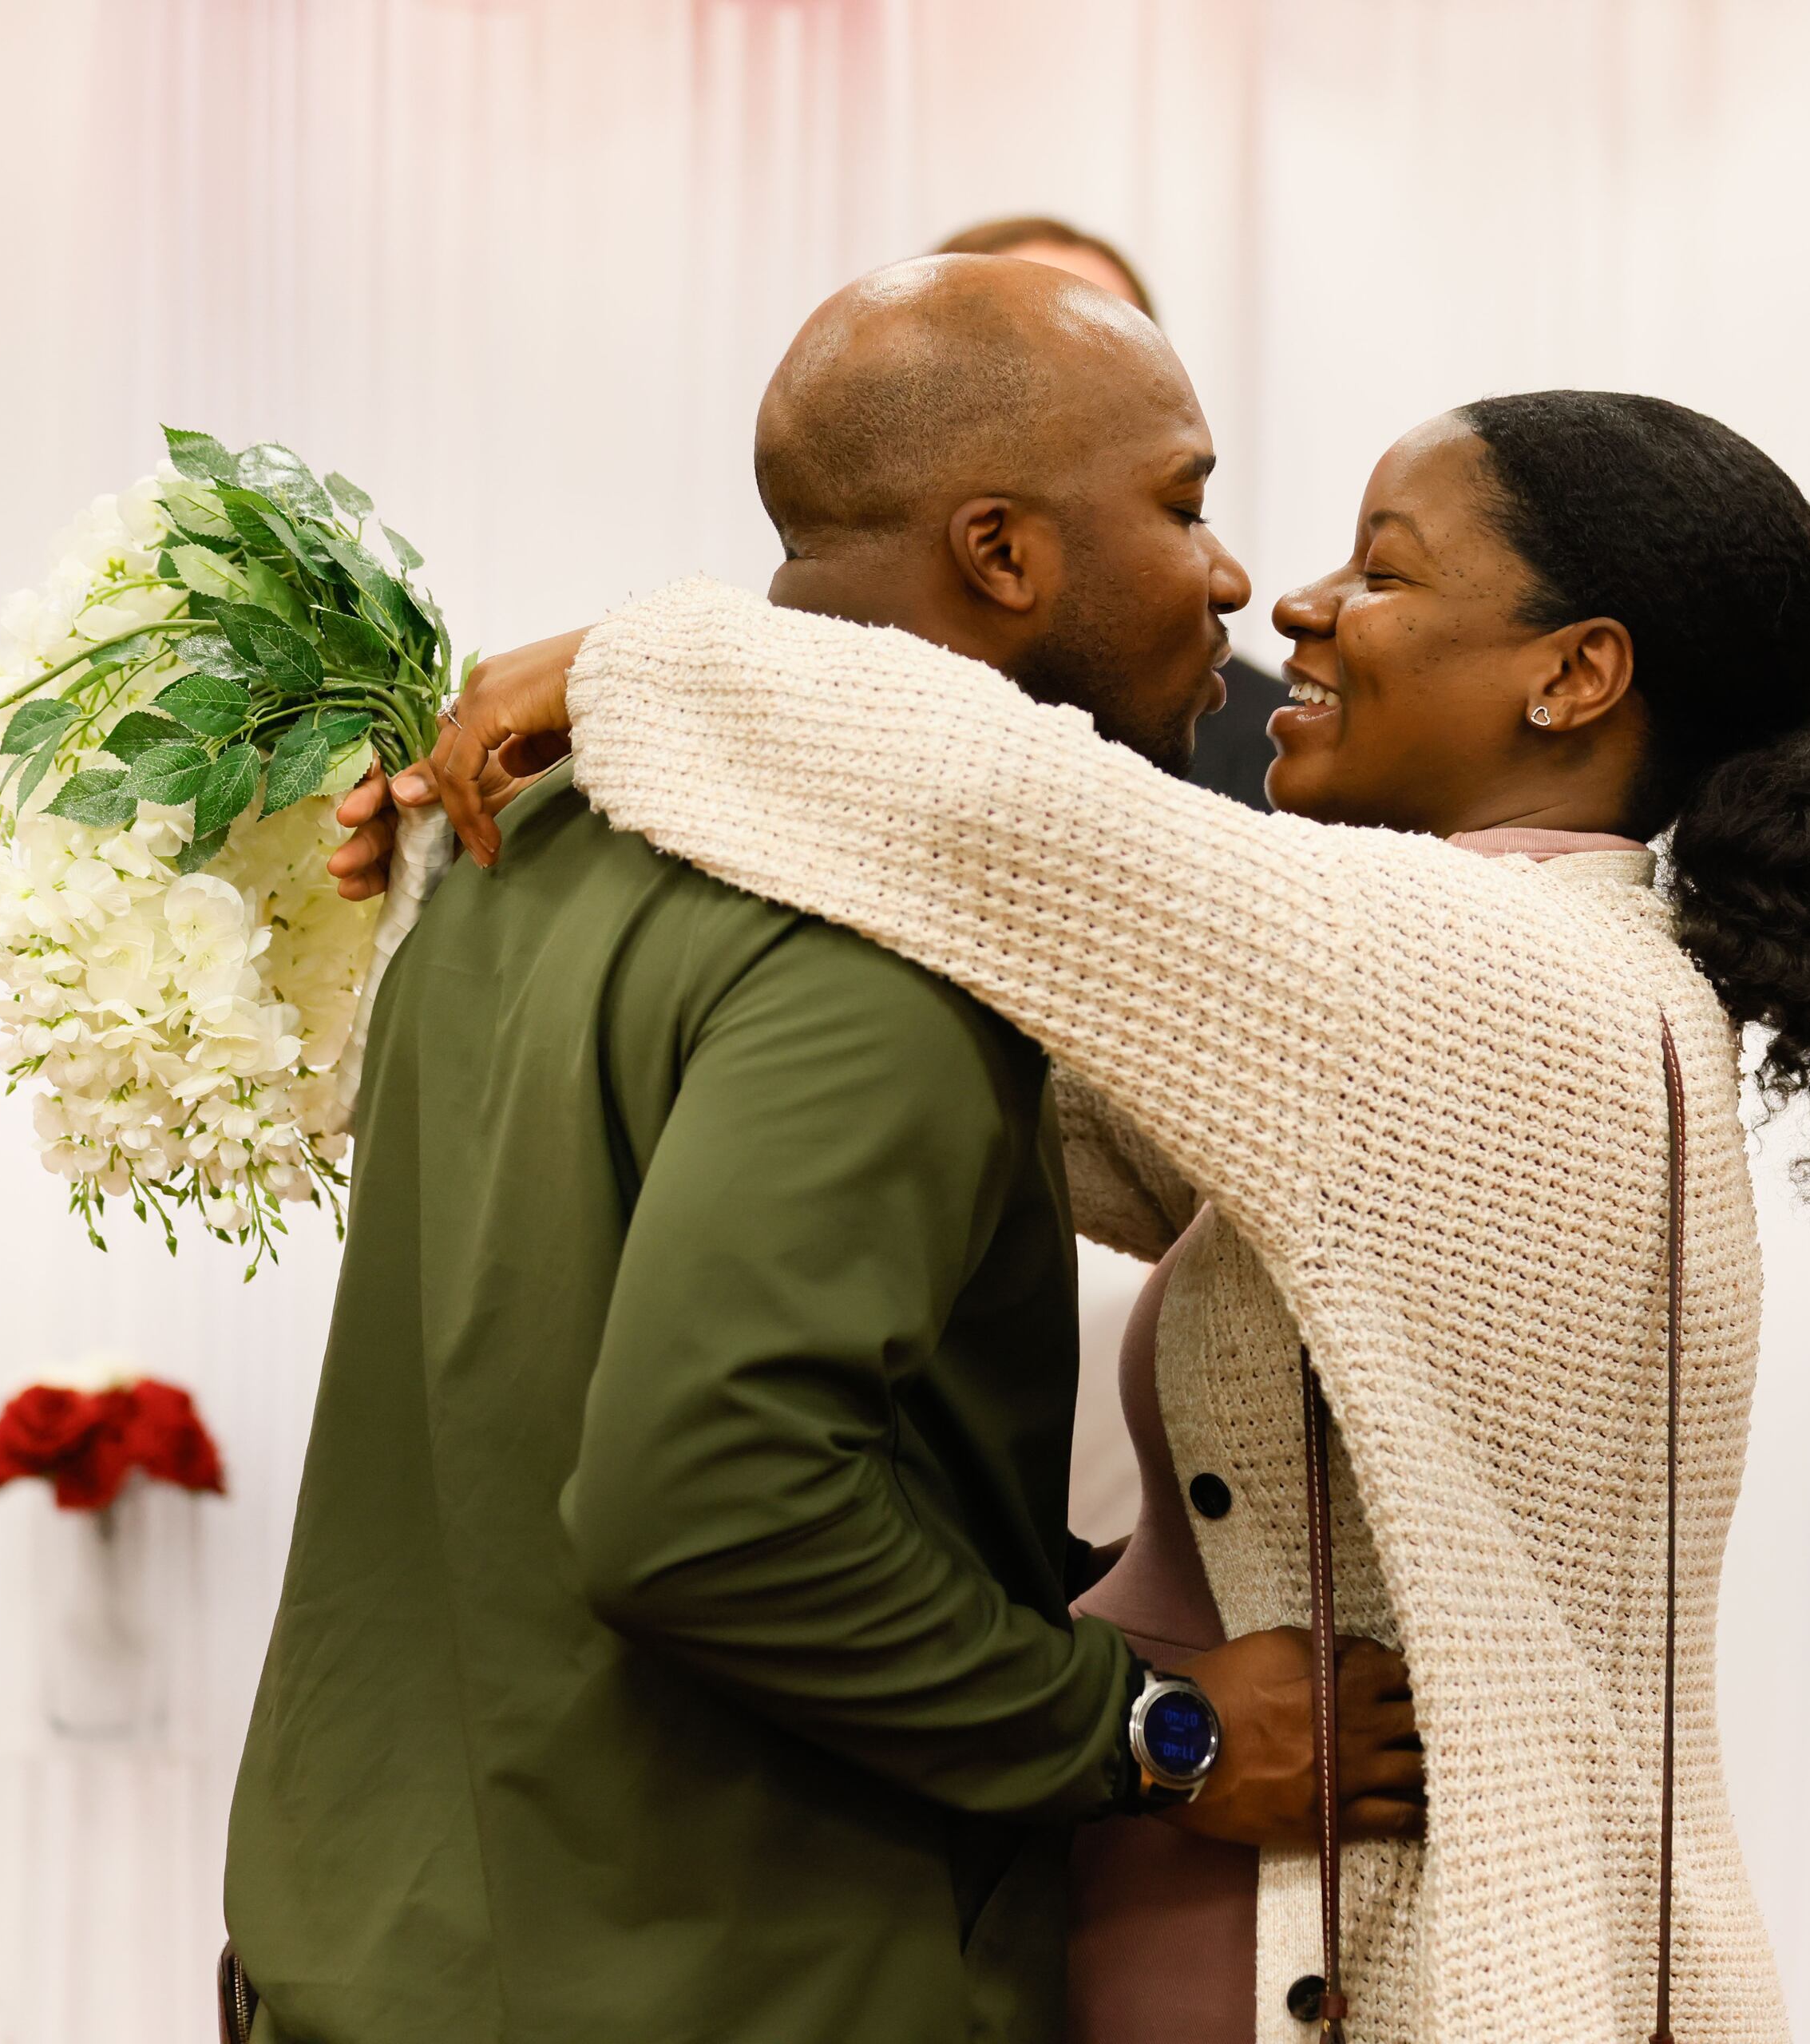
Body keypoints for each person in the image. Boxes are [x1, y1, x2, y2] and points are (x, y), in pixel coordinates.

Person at [348, 272, 1810, 2043]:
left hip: (1394, 1950)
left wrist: (627, 659)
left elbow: (1005, 813)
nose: (1296, 605)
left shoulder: (1489, 979)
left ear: (1574, 675)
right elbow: (1044, 1041)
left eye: (1387, 570)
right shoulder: (1476, 999)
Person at [224, 257, 1421, 2044]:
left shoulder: (513, 827)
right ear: (1003, 554)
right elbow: (706, 1504)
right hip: (719, 1969)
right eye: (1186, 503)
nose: (1236, 578)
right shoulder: (877, 928)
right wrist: (1150, 1731)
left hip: (370, 1931)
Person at [931, 212, 1293, 809]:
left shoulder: (1277, 752)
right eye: (1028, 354)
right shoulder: (784, 716)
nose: (1232, 584)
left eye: (1114, 347)